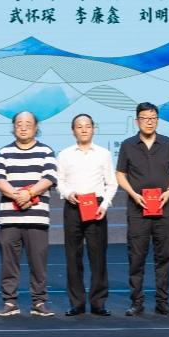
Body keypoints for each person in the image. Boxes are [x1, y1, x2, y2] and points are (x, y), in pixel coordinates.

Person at [115, 102, 169, 317]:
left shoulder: (167, 143)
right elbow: (120, 174)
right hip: (138, 210)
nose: (149, 122)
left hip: (164, 208)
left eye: (153, 118)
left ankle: (162, 302)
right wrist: (133, 194)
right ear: (137, 121)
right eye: (145, 118)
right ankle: (136, 302)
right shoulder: (128, 145)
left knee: (164, 257)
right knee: (136, 257)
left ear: (158, 120)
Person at [0, 111, 58, 317]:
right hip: (10, 218)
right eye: (19, 123)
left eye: (28, 123)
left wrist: (29, 193)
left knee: (38, 263)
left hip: (37, 217)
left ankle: (39, 302)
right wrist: (18, 196)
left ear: (36, 127)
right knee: (8, 263)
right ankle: (10, 302)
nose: (23, 127)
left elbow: (49, 178)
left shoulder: (46, 151)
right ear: (13, 127)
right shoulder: (4, 152)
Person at [56, 113, 117, 316]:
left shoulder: (103, 154)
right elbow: (59, 181)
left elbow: (111, 183)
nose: (84, 129)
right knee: (73, 257)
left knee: (97, 256)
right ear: (73, 130)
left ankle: (98, 303)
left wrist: (105, 205)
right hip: (73, 206)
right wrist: (68, 193)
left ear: (93, 129)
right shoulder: (64, 154)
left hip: (96, 207)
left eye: (87, 126)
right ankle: (77, 303)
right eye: (79, 126)